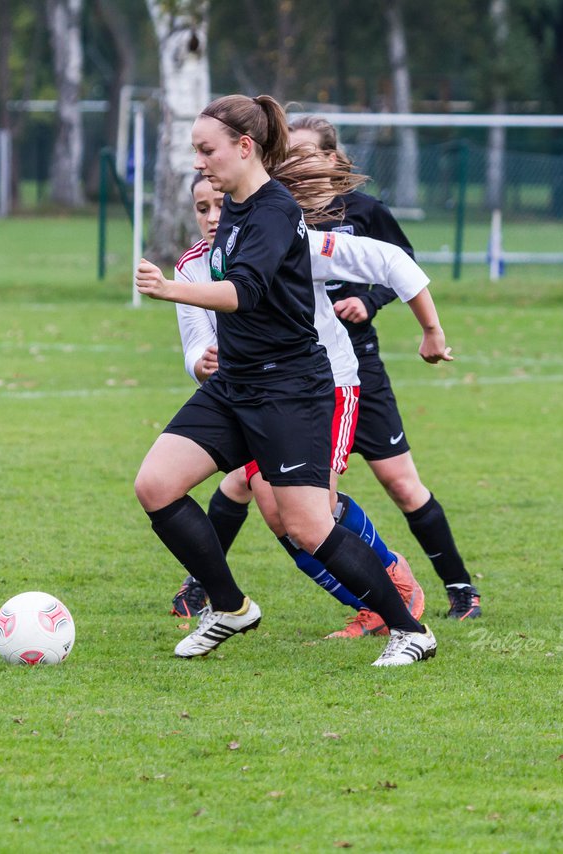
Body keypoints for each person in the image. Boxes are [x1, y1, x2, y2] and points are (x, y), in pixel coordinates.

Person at [134, 94, 449, 667]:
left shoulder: (275, 210)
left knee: (307, 525)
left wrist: (169, 288)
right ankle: (228, 607)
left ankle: (410, 630)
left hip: (289, 389)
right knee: (155, 485)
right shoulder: (231, 207)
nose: (199, 162)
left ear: (244, 147)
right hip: (236, 387)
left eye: (207, 150)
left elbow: (243, 293)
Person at [171, 171, 438, 636]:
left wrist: (432, 330)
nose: (213, 217)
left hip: (326, 386)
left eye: (219, 204)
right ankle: (372, 605)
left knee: (315, 511)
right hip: (253, 394)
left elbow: (391, 260)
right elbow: (194, 344)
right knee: (279, 513)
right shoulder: (193, 265)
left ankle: (393, 584)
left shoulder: (290, 239)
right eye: (201, 208)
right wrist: (202, 363)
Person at [287, 115, 482, 622]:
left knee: (400, 482)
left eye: (305, 152)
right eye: (287, 153)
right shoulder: (279, 212)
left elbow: (401, 263)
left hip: (357, 369)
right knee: (250, 483)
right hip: (293, 371)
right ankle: (203, 588)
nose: (295, 162)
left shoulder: (366, 211)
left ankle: (460, 588)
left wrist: (367, 302)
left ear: (333, 158)